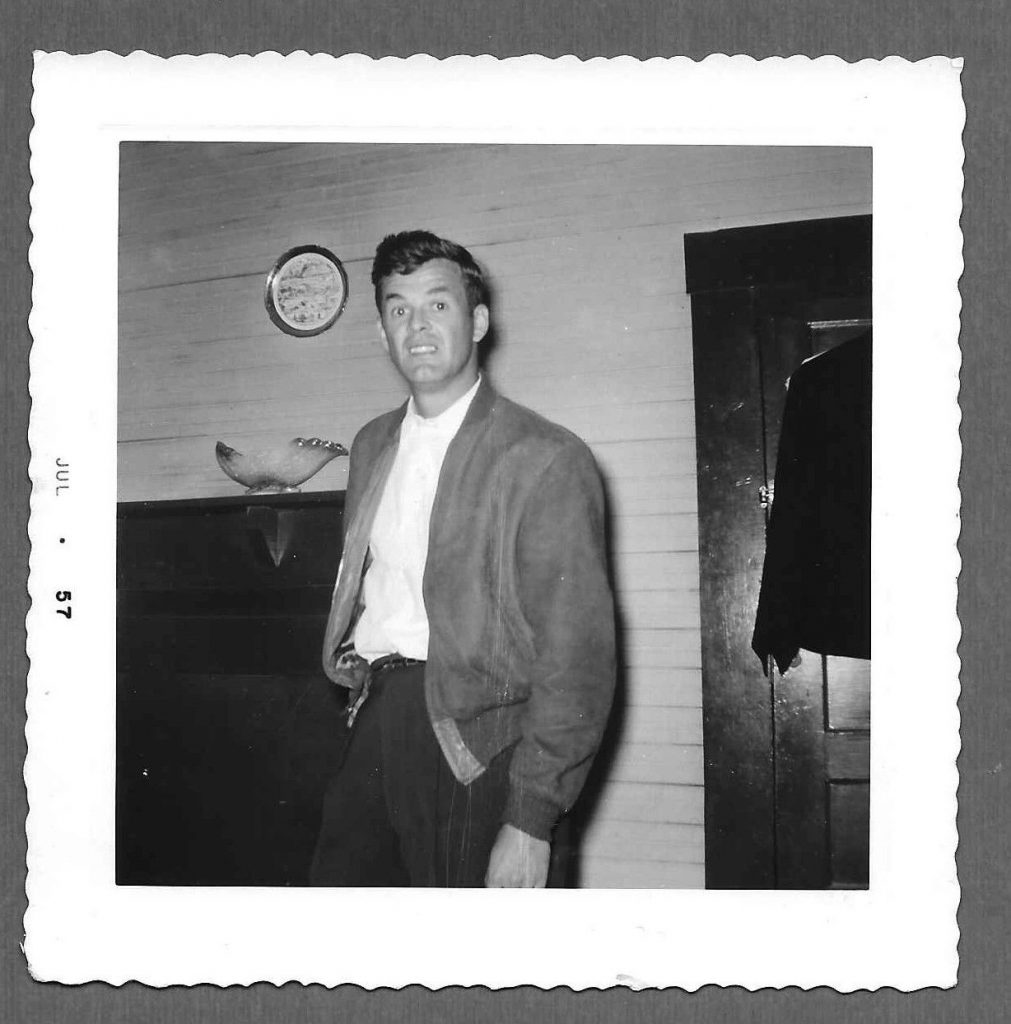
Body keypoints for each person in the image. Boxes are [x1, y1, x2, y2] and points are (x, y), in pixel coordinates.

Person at [310, 230, 615, 888]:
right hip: (375, 716)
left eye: (437, 306)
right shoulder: (371, 445)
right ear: (380, 332)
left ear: (477, 320)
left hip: (479, 740)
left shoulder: (543, 457)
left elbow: (577, 660)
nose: (417, 327)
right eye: (398, 309)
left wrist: (532, 819)